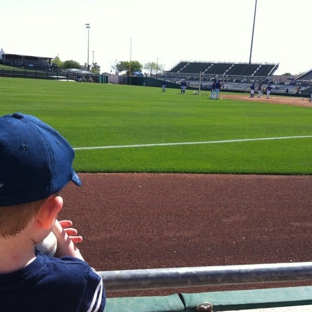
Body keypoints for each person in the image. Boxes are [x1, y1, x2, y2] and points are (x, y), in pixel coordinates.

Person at [0, 112, 106, 312]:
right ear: (51, 213)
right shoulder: (74, 285)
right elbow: (87, 276)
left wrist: (43, 221)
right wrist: (54, 228)